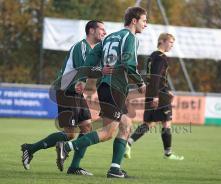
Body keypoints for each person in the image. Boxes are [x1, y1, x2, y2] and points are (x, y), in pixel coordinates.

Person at [55, 6, 147, 178]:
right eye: (144, 20)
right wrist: (140, 82)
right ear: (134, 21)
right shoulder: (131, 37)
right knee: (107, 133)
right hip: (116, 88)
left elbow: (89, 61)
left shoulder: (109, 37)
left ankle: (114, 169)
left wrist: (82, 79)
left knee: (126, 125)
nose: (146, 24)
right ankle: (66, 147)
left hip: (105, 86)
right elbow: (129, 64)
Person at [21, 20, 106, 175]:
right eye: (102, 29)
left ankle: (74, 167)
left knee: (87, 128)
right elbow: (85, 69)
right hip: (66, 90)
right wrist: (104, 70)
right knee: (69, 134)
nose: (104, 32)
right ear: (92, 30)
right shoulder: (81, 46)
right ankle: (30, 148)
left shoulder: (94, 50)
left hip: (76, 93)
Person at [124, 33, 184, 161]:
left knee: (149, 123)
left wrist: (161, 92)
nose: (172, 46)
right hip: (159, 94)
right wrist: (157, 96)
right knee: (166, 122)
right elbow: (156, 77)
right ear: (162, 41)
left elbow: (152, 77)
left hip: (153, 92)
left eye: (173, 43)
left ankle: (128, 142)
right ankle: (168, 153)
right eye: (170, 42)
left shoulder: (152, 56)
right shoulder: (161, 57)